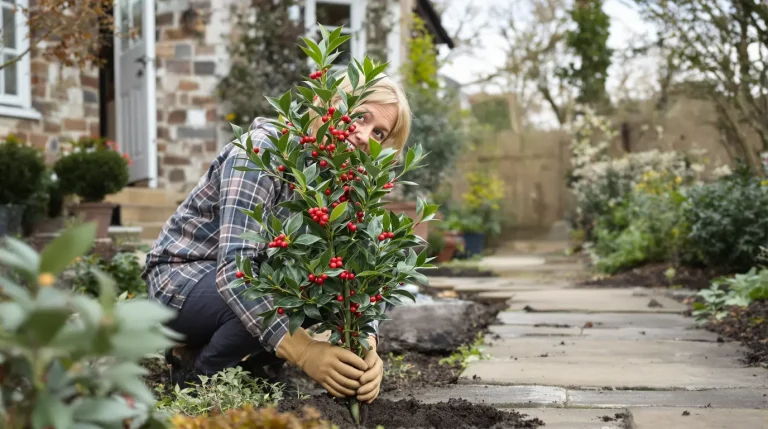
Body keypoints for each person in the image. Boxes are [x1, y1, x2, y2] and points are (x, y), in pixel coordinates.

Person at [141, 72, 412, 404]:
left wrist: (367, 347)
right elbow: (235, 270)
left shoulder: (347, 187)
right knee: (280, 294)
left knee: (313, 287)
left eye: (378, 133)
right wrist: (306, 351)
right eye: (359, 116)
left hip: (242, 286)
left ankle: (255, 365)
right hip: (181, 283)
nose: (363, 135)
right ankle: (196, 374)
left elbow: (357, 279)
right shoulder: (262, 153)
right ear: (326, 105)